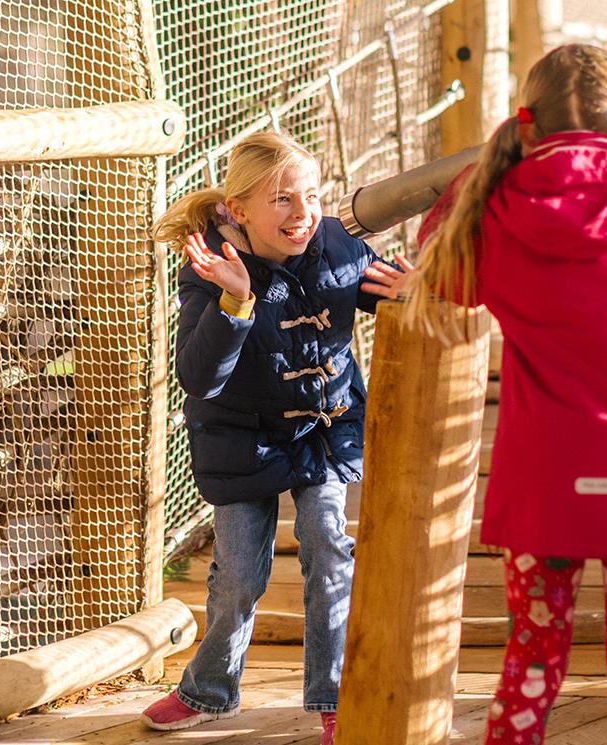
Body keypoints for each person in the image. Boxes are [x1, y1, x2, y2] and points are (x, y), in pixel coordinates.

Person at [405, 43, 607, 745]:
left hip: (546, 479)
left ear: (525, 128)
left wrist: (490, 163)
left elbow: (443, 269)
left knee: (533, 655)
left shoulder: (500, 212)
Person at [138, 131, 412, 745]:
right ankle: (210, 691)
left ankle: (335, 696)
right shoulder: (210, 270)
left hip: (320, 428)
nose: (302, 213)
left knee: (327, 543)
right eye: (282, 200)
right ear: (238, 211)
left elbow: (380, 288)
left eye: (310, 195)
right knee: (238, 572)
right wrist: (237, 302)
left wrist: (408, 286)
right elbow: (198, 377)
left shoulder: (335, 248)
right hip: (242, 438)